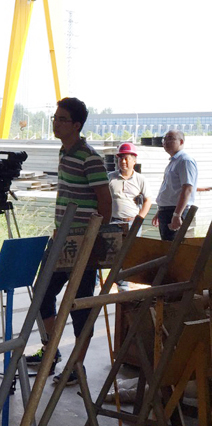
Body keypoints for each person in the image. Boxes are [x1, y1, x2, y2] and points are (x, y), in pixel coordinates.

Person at [26, 97, 112, 386]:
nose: (56, 123)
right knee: (42, 293)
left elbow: (105, 201)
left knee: (81, 306)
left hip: (83, 244)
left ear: (76, 125)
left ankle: (77, 365)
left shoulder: (89, 157)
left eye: (62, 119)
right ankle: (51, 350)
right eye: (55, 118)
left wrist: (94, 240)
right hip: (61, 241)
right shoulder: (65, 152)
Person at [108, 142, 152, 290]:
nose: (123, 162)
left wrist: (140, 218)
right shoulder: (110, 178)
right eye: (120, 158)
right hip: (113, 222)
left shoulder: (140, 179)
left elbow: (148, 200)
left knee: (129, 256)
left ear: (134, 160)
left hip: (133, 223)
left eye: (126, 158)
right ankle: (114, 284)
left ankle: (124, 287)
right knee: (113, 255)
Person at [152, 130, 198, 241]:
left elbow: (187, 189)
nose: (166, 142)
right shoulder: (174, 161)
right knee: (166, 245)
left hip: (175, 211)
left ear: (181, 142)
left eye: (170, 139)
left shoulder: (185, 160)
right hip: (167, 211)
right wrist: (160, 210)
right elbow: (171, 189)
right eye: (164, 139)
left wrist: (177, 215)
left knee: (173, 247)